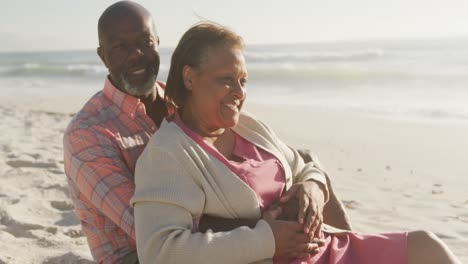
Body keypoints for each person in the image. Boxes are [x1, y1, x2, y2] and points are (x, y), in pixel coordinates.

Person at [131, 22, 462, 264]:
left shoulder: (248, 128)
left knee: (427, 247)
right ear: (189, 78)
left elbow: (305, 166)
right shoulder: (168, 153)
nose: (239, 92)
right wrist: (267, 240)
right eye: (226, 80)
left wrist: (314, 188)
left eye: (243, 80)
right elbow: (159, 252)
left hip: (328, 250)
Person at [62, 1, 350, 263]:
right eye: (121, 47)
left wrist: (305, 190)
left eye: (144, 41)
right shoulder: (88, 134)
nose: (136, 55)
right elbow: (148, 227)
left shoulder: (181, 100)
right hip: (141, 255)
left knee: (306, 166)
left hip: (222, 227)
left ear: (158, 43)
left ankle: (353, 247)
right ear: (102, 56)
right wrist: (269, 224)